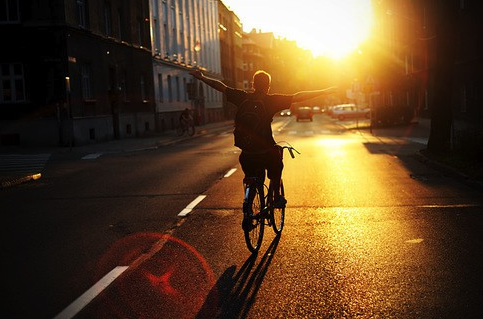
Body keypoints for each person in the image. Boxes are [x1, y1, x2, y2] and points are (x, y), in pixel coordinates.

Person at [189, 69, 336, 212]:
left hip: (247, 153)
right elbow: (298, 96)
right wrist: (324, 91)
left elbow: (221, 87)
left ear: (253, 84)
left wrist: (201, 77)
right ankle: (277, 197)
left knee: (251, 175)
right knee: (277, 163)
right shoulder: (271, 100)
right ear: (268, 86)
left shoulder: (241, 97)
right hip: (266, 151)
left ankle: (249, 201)